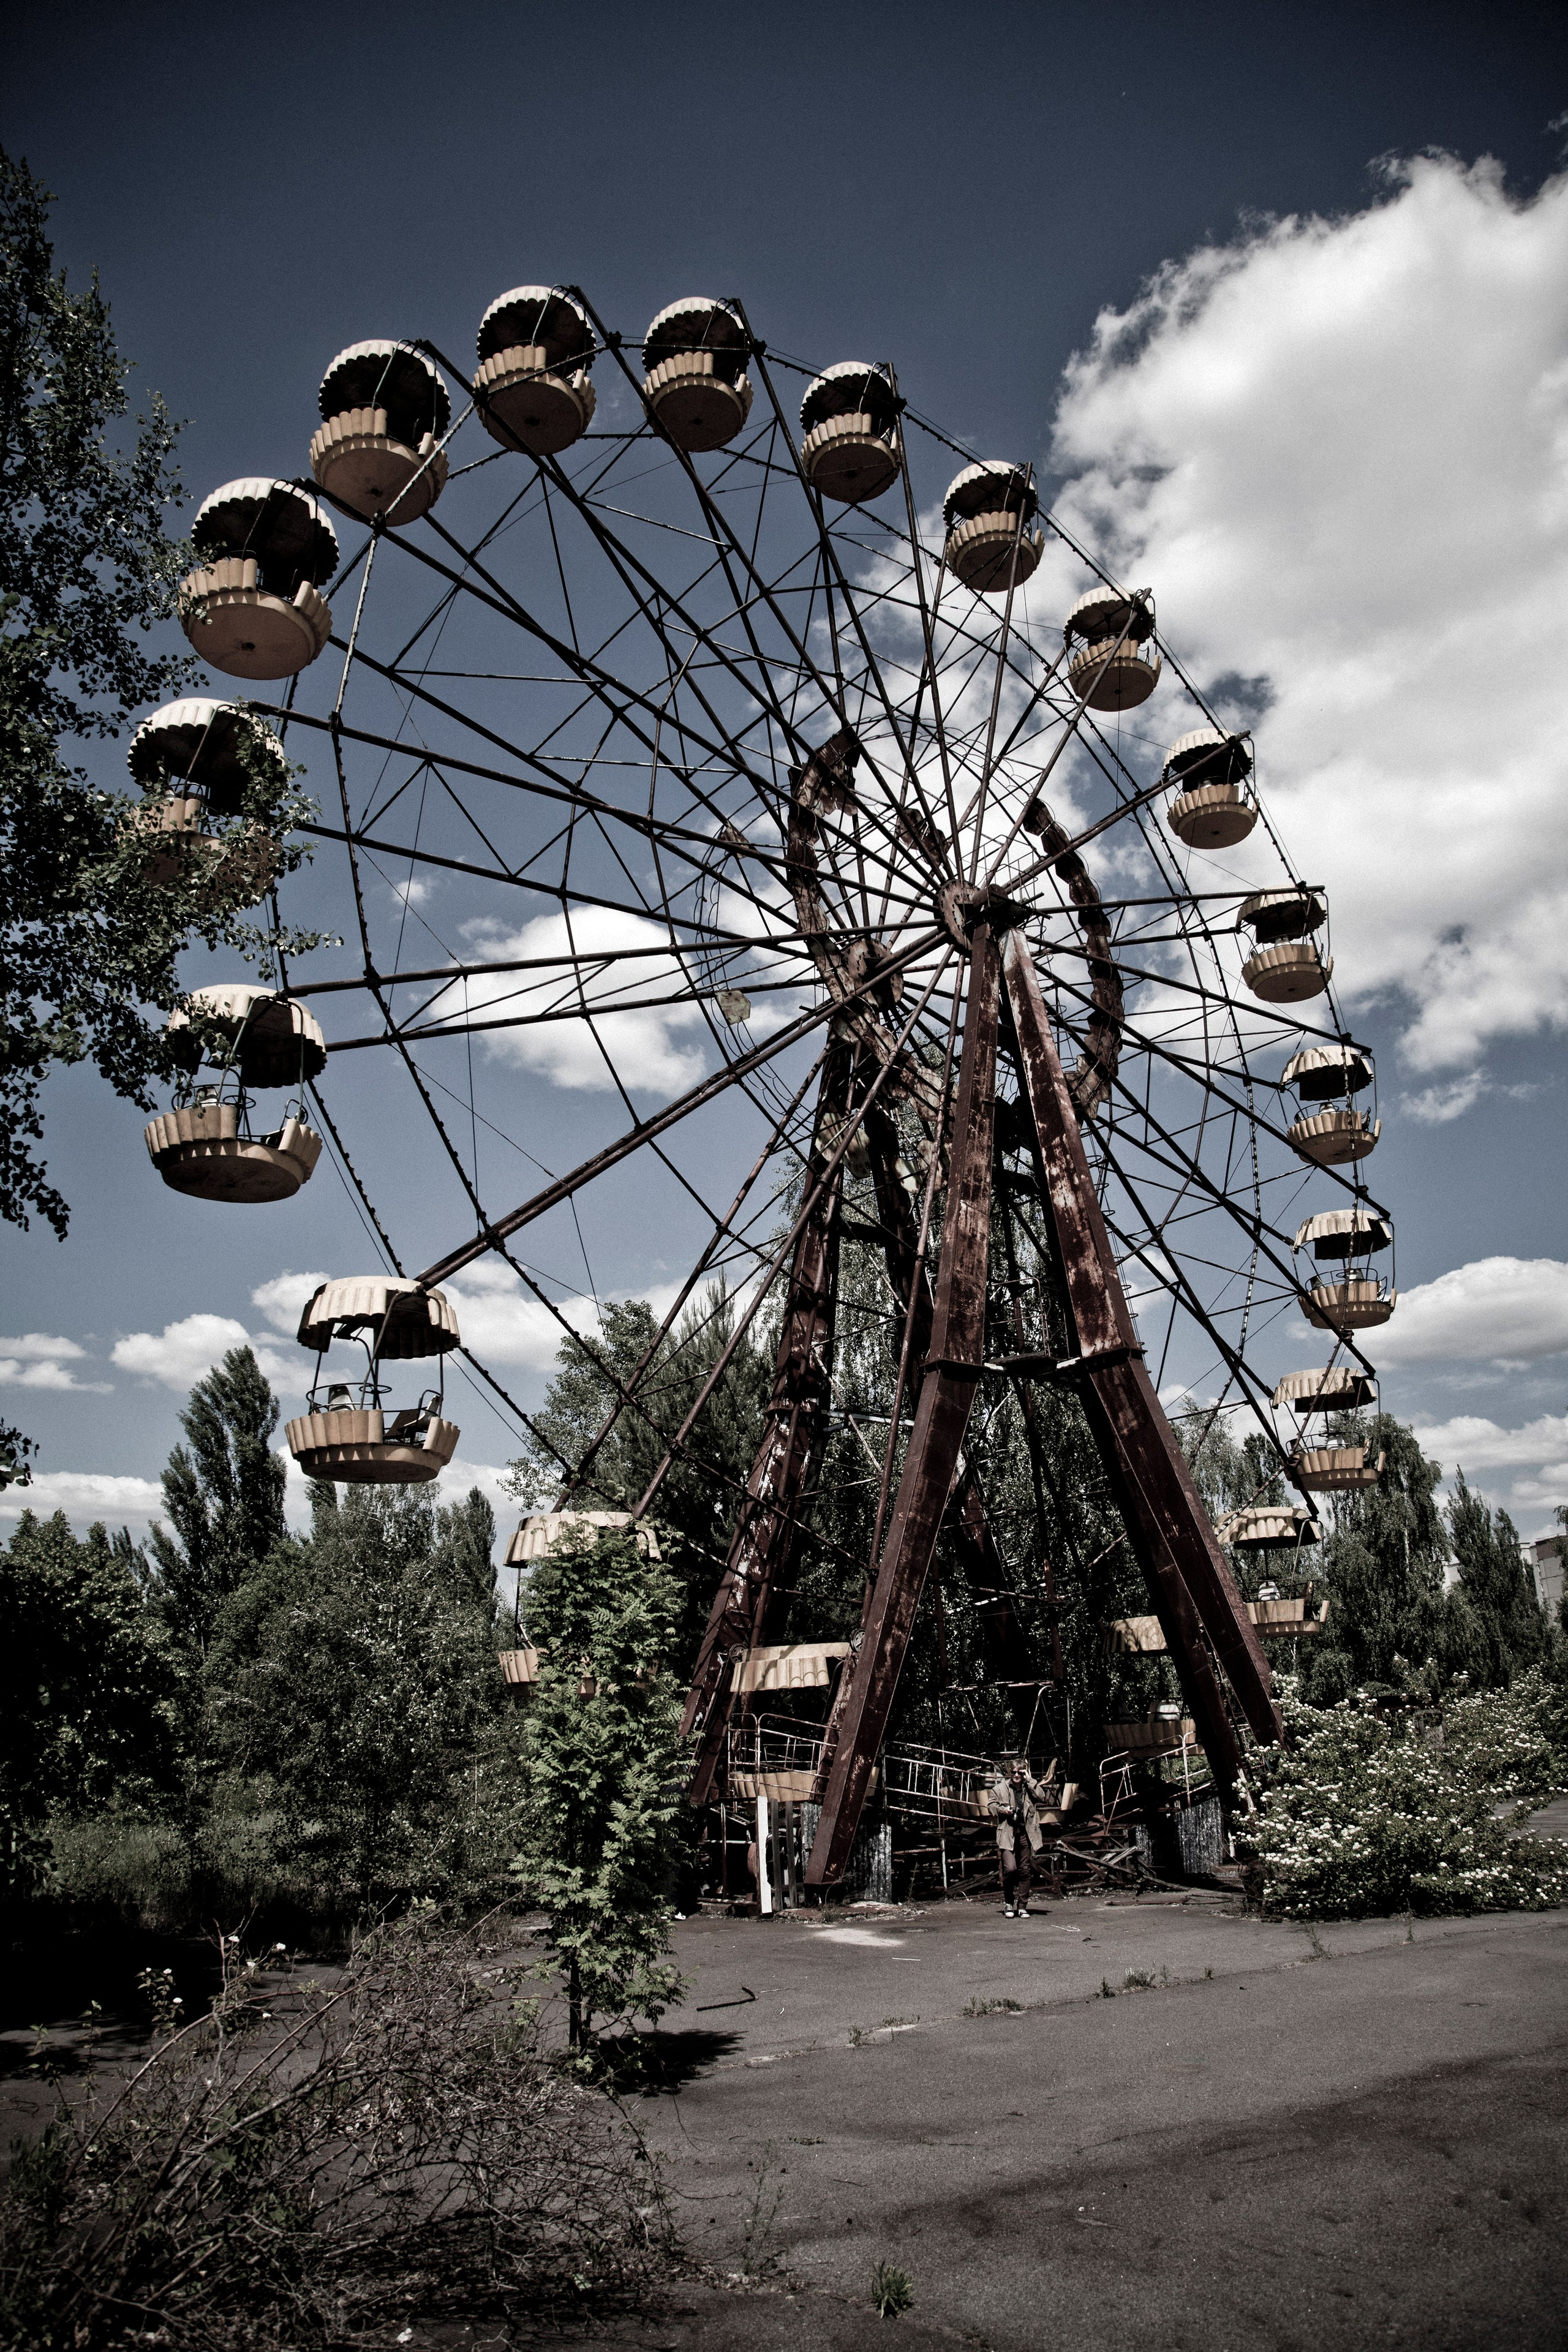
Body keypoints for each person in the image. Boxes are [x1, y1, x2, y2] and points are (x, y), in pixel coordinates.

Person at [987, 1757, 1052, 1917]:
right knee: (1010, 1869)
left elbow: (1042, 1796)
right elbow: (990, 1807)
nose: (1016, 1775)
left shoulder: (1029, 1788)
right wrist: (1004, 1811)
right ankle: (1009, 1903)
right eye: (1014, 1772)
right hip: (1007, 1835)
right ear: (1010, 1772)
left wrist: (1030, 1780)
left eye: (1020, 1772)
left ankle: (1022, 1906)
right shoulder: (1000, 1789)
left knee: (1025, 1871)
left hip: (1025, 1834)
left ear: (1024, 1773)